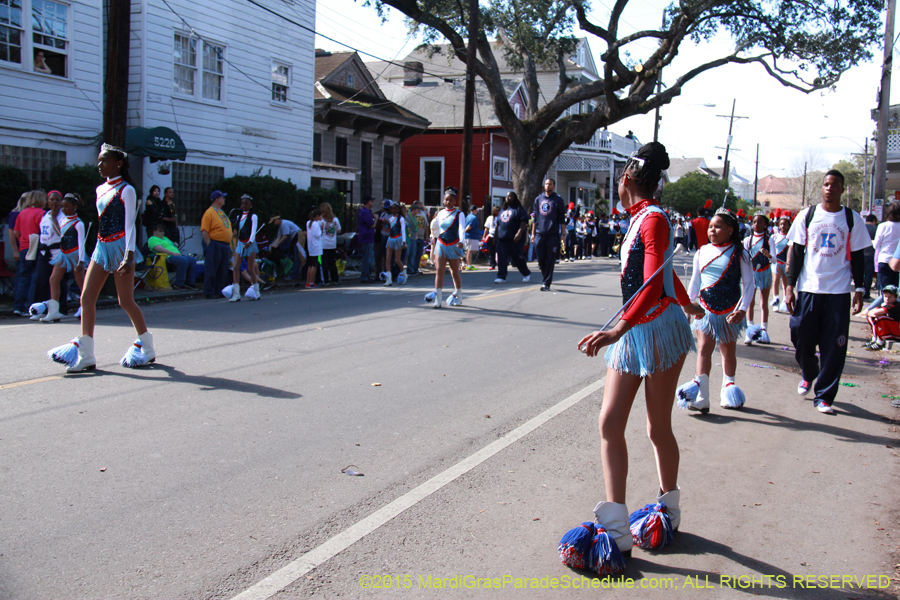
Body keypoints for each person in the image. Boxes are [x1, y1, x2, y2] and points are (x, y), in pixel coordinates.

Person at [568, 142, 692, 573]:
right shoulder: (641, 219)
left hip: (655, 329)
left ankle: (668, 507)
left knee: (658, 427)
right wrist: (691, 301)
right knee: (610, 422)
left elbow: (652, 285)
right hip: (635, 329)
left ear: (625, 181)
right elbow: (665, 272)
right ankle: (617, 527)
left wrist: (618, 327)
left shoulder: (653, 219)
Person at [48, 143, 154, 372]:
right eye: (99, 161)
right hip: (101, 246)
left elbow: (130, 225)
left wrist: (129, 254)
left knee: (125, 301)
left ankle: (146, 344)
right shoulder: (99, 189)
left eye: (104, 161)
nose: (99, 165)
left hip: (121, 247)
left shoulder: (127, 189)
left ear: (118, 163)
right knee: (86, 298)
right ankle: (86, 354)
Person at [785, 170, 871, 415]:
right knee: (799, 335)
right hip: (810, 288)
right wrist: (790, 286)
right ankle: (809, 371)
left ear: (842, 189)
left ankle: (824, 396)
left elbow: (858, 258)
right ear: (821, 188)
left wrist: (860, 289)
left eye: (835, 185)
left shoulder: (851, 218)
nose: (829, 188)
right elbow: (797, 252)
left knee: (835, 346)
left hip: (839, 291)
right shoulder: (807, 215)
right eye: (826, 184)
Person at [676, 208, 754, 413]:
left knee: (728, 351)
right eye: (710, 227)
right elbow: (695, 282)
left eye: (718, 226)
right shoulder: (702, 251)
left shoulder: (741, 253)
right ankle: (702, 396)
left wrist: (742, 310)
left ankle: (728, 389)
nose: (712, 230)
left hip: (730, 311)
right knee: (703, 350)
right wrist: (689, 307)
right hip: (705, 311)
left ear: (730, 230)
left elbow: (749, 285)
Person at [43, 193, 86, 321]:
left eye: (66, 207)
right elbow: (60, 234)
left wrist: (81, 261)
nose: (63, 209)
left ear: (74, 207)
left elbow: (81, 243)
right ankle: (54, 311)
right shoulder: (62, 220)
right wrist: (54, 219)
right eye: (62, 207)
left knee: (81, 282)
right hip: (63, 254)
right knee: (53, 279)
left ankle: (85, 307)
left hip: (75, 255)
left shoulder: (79, 224)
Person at [425, 187, 465, 308]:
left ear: (454, 202)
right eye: (446, 199)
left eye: (451, 200)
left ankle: (459, 296)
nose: (448, 202)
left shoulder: (459, 214)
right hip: (441, 244)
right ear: (443, 200)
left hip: (454, 245)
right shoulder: (440, 213)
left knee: (454, 272)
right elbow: (437, 229)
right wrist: (433, 240)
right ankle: (438, 300)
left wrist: (462, 241)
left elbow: (461, 229)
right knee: (439, 271)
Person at [11, 190, 47, 316]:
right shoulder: (42, 214)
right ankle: (30, 307)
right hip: (36, 247)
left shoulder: (22, 213)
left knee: (23, 277)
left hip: (24, 247)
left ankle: (18, 306)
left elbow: (16, 232)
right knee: (34, 277)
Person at [31, 190, 66, 320]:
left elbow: (61, 233)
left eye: (57, 200)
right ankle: (40, 308)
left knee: (57, 281)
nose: (54, 202)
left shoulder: (63, 216)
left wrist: (54, 218)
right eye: (52, 200)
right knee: (40, 280)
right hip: (44, 252)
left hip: (58, 252)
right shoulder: (45, 215)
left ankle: (59, 308)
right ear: (47, 201)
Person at [743, 213, 776, 345]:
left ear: (765, 225)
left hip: (765, 273)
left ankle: (763, 331)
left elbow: (774, 260)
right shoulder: (747, 240)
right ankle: (750, 331)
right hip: (751, 274)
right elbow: (744, 260)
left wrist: (768, 255)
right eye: (755, 222)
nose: (756, 224)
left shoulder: (770, 240)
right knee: (750, 302)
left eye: (760, 222)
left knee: (763, 303)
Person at [530, 178, 565, 291]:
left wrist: (563, 235)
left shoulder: (558, 200)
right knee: (541, 259)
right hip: (540, 233)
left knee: (550, 259)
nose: (547, 185)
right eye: (546, 184)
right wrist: (533, 234)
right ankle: (546, 278)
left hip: (553, 234)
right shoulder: (538, 199)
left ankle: (546, 283)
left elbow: (562, 219)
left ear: (554, 186)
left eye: (550, 184)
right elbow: (535, 218)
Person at [229, 194, 262, 301]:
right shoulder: (239, 217)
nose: (244, 205)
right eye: (242, 203)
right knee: (235, 267)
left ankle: (256, 291)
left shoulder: (253, 216)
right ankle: (236, 293)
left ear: (251, 205)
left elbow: (253, 230)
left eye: (246, 204)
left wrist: (250, 241)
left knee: (250, 268)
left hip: (250, 244)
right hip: (240, 243)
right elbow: (238, 231)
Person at [494, 192, 531, 283]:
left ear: (515, 198)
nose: (508, 198)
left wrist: (519, 233)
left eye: (510, 196)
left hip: (515, 239)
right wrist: (495, 237)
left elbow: (523, 222)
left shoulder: (519, 209)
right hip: (502, 239)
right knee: (502, 258)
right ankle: (501, 276)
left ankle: (526, 273)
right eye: (506, 196)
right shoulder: (503, 210)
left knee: (517, 258)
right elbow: (498, 225)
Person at [201, 190, 232, 299]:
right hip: (215, 243)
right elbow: (204, 230)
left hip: (224, 244)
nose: (224, 199)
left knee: (223, 269)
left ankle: (220, 290)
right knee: (212, 268)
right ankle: (209, 291)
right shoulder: (209, 212)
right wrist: (209, 244)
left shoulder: (221, 212)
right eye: (222, 198)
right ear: (216, 200)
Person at [148, 223, 197, 290]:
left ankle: (189, 283)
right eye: (160, 231)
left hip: (176, 256)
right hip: (166, 258)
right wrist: (173, 253)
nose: (162, 233)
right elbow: (159, 249)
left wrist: (175, 245)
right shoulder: (153, 239)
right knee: (183, 261)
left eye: (163, 231)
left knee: (192, 260)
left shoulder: (165, 238)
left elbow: (171, 246)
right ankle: (179, 284)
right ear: (154, 231)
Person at [873, 203, 900, 297]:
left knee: (884, 291)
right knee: (896, 291)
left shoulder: (883, 226)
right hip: (898, 261)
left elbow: (876, 245)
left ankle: (883, 309)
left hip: (884, 259)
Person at [863, 285, 900, 351]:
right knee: (871, 318)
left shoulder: (895, 305)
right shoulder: (884, 304)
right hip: (892, 328)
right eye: (885, 297)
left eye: (890, 297)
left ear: (896, 297)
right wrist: (872, 313)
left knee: (880, 318)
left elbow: (875, 312)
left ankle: (880, 342)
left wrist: (874, 313)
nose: (887, 299)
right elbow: (870, 313)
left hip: (897, 331)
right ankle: (874, 339)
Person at [268, 213, 302, 280]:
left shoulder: (284, 224)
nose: (274, 223)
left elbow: (285, 236)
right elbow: (279, 236)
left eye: (274, 221)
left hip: (298, 237)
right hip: (294, 239)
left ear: (277, 220)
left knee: (297, 257)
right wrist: (273, 246)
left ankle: (294, 275)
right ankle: (293, 274)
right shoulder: (280, 226)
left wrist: (277, 244)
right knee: (295, 256)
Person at [381, 201, 406, 286]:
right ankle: (389, 279)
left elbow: (403, 230)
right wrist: (386, 224)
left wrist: (404, 241)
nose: (393, 210)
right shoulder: (390, 218)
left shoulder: (401, 219)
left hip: (398, 238)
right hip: (390, 238)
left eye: (395, 209)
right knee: (387, 259)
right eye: (392, 209)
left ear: (398, 210)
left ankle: (404, 274)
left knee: (397, 260)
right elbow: (389, 228)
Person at [771, 214, 792, 313]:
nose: (783, 226)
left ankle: (785, 302)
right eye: (781, 224)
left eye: (785, 224)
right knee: (775, 281)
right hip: (776, 263)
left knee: (785, 283)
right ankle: (776, 301)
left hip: (786, 263)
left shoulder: (790, 237)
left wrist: (789, 263)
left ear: (788, 226)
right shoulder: (774, 236)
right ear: (778, 225)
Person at [319, 202, 342, 285]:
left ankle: (325, 280)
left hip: (323, 244)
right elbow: (339, 230)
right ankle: (335, 279)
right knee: (332, 262)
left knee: (324, 263)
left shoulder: (321, 220)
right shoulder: (335, 219)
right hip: (332, 244)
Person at [357, 197, 376, 282]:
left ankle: (366, 275)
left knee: (367, 257)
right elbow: (372, 224)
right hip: (367, 237)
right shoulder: (365, 212)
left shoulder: (363, 211)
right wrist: (376, 218)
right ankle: (365, 276)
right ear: (368, 202)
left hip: (365, 236)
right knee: (367, 257)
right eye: (371, 201)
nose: (372, 203)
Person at [407, 201, 428, 276]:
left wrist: (427, 236)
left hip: (420, 237)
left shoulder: (422, 214)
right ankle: (410, 268)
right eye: (417, 206)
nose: (419, 208)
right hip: (411, 238)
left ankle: (414, 269)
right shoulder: (408, 215)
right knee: (411, 254)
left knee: (417, 253)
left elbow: (426, 225)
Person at [306, 208, 323, 288]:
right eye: (321, 215)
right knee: (315, 265)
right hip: (316, 248)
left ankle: (308, 282)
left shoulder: (308, 223)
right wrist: (322, 229)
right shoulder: (316, 224)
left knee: (310, 265)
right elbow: (318, 235)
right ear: (317, 216)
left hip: (311, 247)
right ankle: (312, 282)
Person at [863, 214, 878, 300]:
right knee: (869, 275)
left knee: (860, 274)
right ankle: (866, 294)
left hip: (860, 254)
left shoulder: (861, 227)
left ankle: (859, 291)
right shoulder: (875, 229)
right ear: (874, 221)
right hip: (871, 254)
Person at [464, 205, 482, 270]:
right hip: (471, 236)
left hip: (467, 236)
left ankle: (467, 264)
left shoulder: (467, 217)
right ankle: (469, 265)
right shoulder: (473, 218)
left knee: (467, 251)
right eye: (476, 210)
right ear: (474, 210)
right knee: (470, 251)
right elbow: (469, 226)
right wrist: (464, 231)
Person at [484, 205, 500, 269]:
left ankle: (500, 263)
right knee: (491, 251)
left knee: (499, 250)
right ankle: (492, 264)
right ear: (493, 211)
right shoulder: (490, 218)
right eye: (496, 210)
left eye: (499, 210)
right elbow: (486, 228)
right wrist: (484, 236)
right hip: (491, 235)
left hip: (499, 236)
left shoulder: (500, 217)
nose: (498, 212)